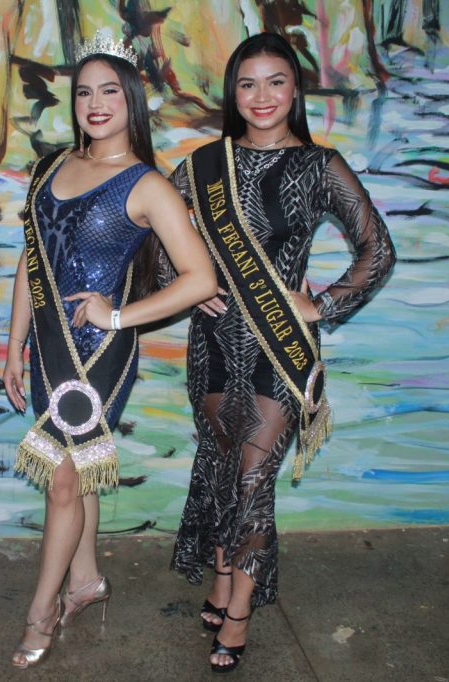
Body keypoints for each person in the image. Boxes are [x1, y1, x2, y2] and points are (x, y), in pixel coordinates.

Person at [167, 33, 396, 673]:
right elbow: (155, 234)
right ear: (232, 93)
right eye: (248, 83)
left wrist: (323, 304)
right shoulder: (203, 165)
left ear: (295, 90)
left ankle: (239, 611)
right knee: (220, 470)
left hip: (280, 348)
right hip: (213, 346)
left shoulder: (320, 165)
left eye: (275, 82)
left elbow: (378, 249)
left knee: (253, 480)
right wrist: (187, 285)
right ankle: (221, 582)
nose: (261, 96)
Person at [1, 30, 217, 669]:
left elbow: (199, 279)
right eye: (84, 93)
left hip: (99, 353)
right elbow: (32, 263)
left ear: (132, 102)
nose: (95, 104)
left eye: (110, 93)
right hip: (47, 347)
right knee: (76, 474)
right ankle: (86, 580)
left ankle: (41, 611)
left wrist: (118, 315)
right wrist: (13, 345)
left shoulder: (147, 185)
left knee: (64, 480)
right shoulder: (50, 168)